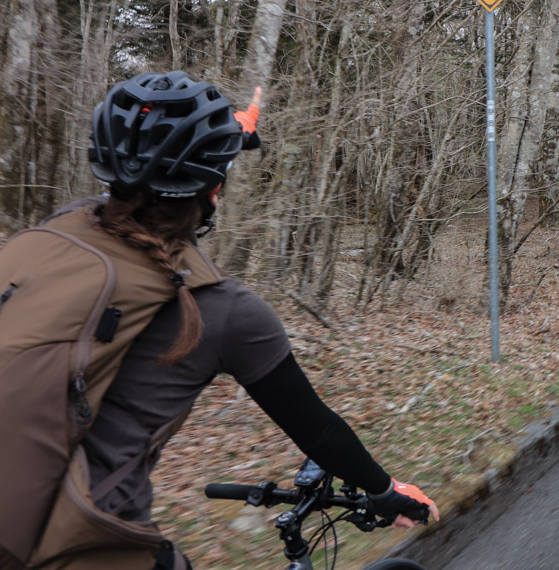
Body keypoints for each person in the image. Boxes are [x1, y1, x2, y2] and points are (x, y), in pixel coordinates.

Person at [74, 70, 439, 568]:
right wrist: (385, 490)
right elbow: (319, 433)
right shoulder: (223, 310)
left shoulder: (53, 243)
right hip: (86, 539)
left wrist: (237, 131)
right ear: (214, 188)